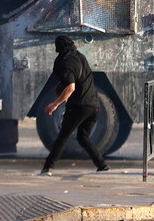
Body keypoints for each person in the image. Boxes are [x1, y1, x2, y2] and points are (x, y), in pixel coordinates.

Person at [40, 35, 109, 176]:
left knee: (63, 137)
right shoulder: (80, 56)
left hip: (79, 106)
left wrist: (54, 104)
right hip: (94, 105)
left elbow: (70, 87)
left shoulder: (65, 63)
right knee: (82, 137)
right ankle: (102, 165)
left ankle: (48, 168)